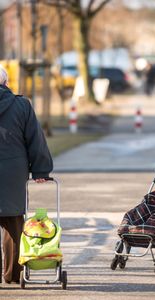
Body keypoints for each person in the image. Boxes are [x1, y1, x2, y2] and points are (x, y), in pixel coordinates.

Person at [0, 65, 53, 284]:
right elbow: (35, 139)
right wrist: (41, 169)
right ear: (5, 83)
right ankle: (12, 275)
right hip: (12, 172)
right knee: (13, 224)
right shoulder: (21, 105)